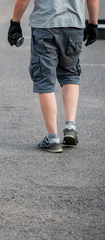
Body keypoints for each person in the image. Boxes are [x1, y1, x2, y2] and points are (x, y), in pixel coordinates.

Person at [8, 0, 98, 153]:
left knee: (45, 80)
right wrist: (93, 24)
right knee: (70, 74)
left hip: (45, 25)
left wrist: (15, 22)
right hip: (74, 25)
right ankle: (70, 126)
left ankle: (53, 138)